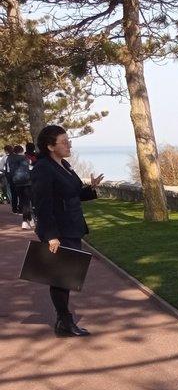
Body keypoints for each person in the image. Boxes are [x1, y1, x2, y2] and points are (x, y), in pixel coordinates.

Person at [31, 125, 104, 337]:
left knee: (67, 276)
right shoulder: (43, 168)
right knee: (61, 278)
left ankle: (63, 322)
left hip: (73, 227)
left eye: (68, 140)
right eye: (64, 142)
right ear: (50, 146)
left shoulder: (64, 164)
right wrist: (50, 235)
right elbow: (42, 205)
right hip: (59, 231)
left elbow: (73, 194)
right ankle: (64, 322)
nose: (69, 144)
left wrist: (90, 188)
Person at [7, 145, 34, 229]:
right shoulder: (23, 158)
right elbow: (28, 168)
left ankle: (30, 219)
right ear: (21, 150)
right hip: (26, 182)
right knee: (26, 202)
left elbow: (8, 170)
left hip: (16, 181)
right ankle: (25, 221)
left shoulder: (9, 158)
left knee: (22, 200)